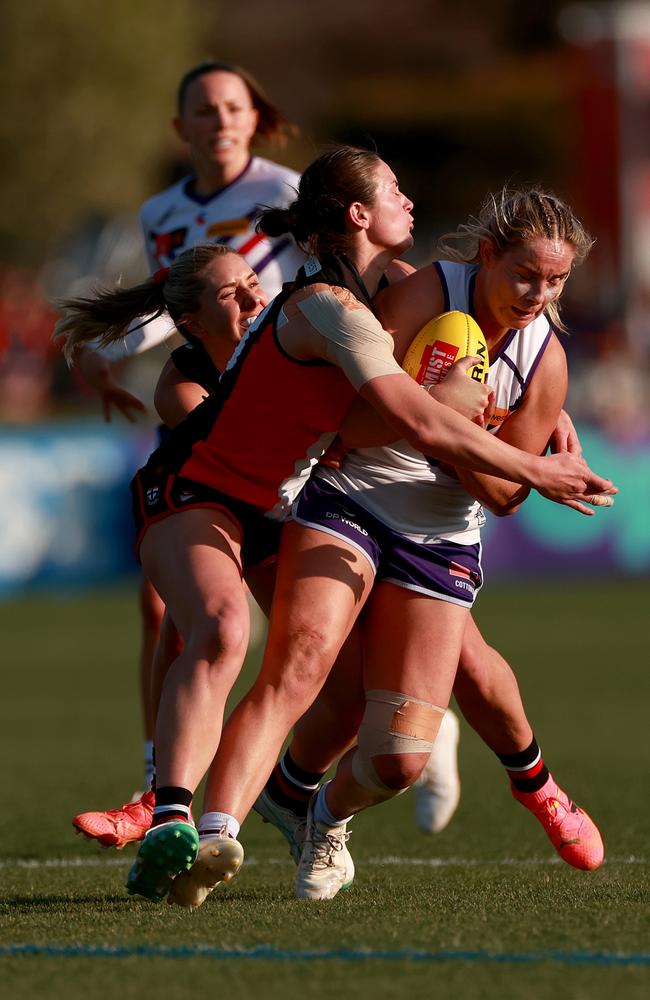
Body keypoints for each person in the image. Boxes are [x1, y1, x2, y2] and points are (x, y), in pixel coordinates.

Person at [92, 148, 609, 909]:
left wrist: (510, 422)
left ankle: (308, 806)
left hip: (323, 509)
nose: (411, 199)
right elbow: (387, 421)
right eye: (394, 189)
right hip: (258, 496)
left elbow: (477, 467)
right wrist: (508, 450)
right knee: (240, 638)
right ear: (360, 214)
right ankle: (191, 822)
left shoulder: (412, 293)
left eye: (556, 281)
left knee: (386, 728)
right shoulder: (341, 305)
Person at [253, 189, 608, 899]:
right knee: (308, 664)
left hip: (440, 532)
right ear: (486, 255)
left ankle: (320, 810)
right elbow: (351, 418)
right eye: (525, 275)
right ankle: (205, 825)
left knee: (399, 761)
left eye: (556, 281)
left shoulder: (546, 360)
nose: (539, 294)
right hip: (352, 498)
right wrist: (440, 422)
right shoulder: (426, 294)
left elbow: (506, 497)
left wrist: (454, 442)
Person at [70, 60, 305, 844]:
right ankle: (156, 791)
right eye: (204, 110)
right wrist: (115, 346)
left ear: (254, 115)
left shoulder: (287, 193)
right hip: (208, 405)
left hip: (290, 414)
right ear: (182, 130)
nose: (220, 121)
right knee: (171, 608)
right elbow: (179, 308)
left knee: (315, 633)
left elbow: (328, 288)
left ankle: (404, 723)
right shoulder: (161, 212)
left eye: (234, 106)